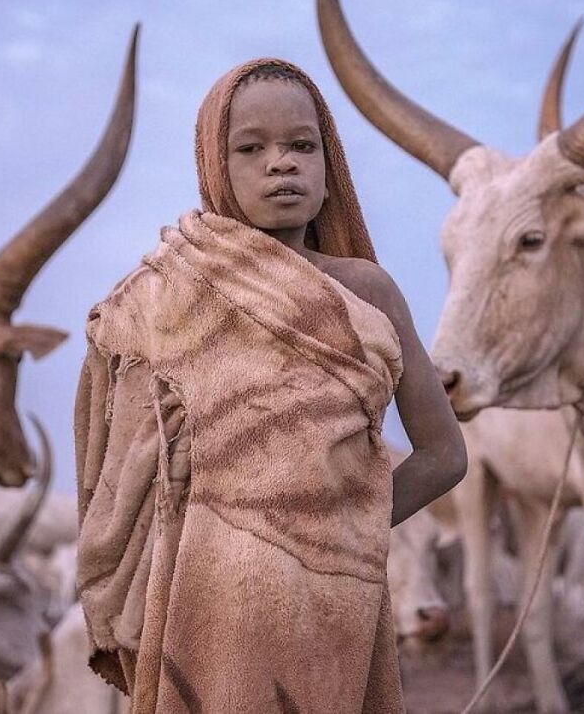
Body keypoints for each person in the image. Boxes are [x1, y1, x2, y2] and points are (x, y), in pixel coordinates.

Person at [75, 58, 467, 714]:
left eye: (301, 146)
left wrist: (344, 529)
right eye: (250, 148)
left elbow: (444, 455)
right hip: (203, 606)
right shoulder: (168, 295)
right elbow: (124, 467)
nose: (280, 163)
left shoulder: (366, 290)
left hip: (329, 608)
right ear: (214, 167)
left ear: (329, 163)